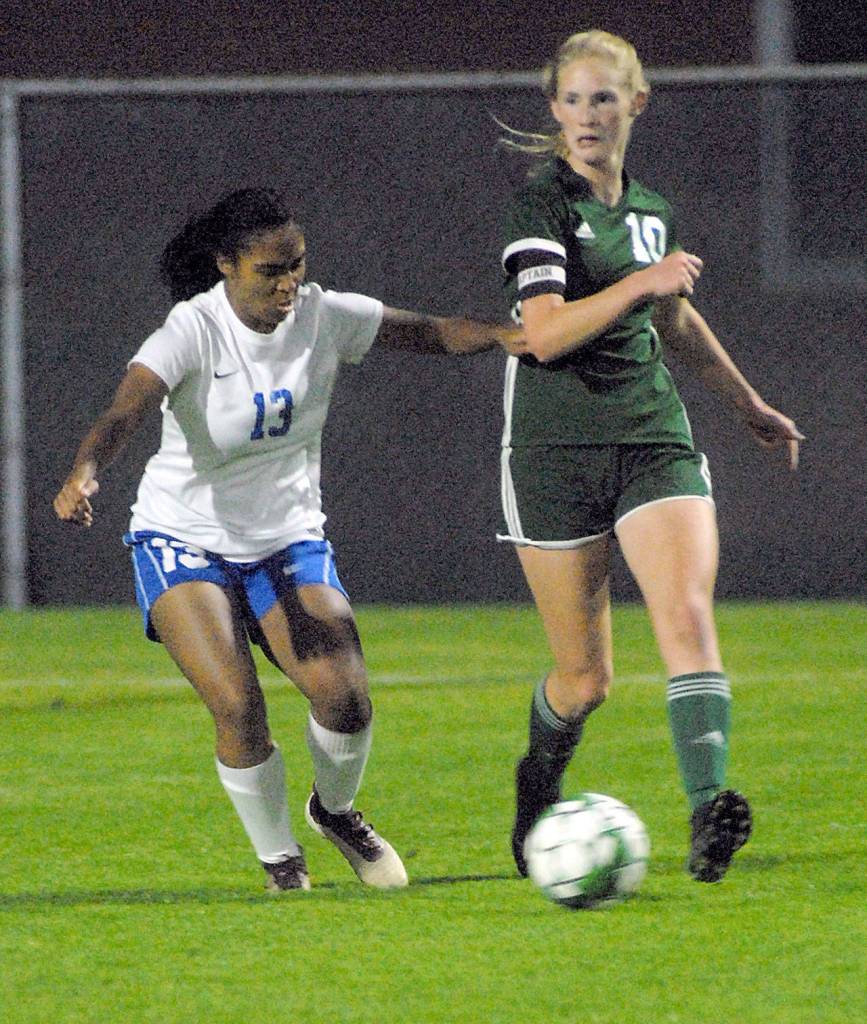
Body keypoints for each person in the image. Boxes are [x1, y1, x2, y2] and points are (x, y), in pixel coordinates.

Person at [54, 186, 520, 893]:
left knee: (345, 700)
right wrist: (84, 474)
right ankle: (282, 862)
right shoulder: (192, 329)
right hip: (183, 536)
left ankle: (334, 812)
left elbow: (431, 331)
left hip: (285, 538)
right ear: (226, 265)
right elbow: (125, 411)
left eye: (296, 265)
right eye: (269, 271)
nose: (287, 284)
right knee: (238, 706)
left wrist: (506, 335)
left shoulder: (322, 316)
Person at [497, 30, 804, 883]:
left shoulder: (651, 209)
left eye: (603, 98)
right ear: (553, 109)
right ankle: (538, 777)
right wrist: (640, 280)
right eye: (571, 99)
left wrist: (745, 403)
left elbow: (671, 319)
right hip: (553, 452)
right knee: (583, 680)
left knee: (686, 616)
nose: (586, 114)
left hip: (649, 437)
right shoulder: (541, 206)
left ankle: (708, 810)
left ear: (635, 102)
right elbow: (544, 334)